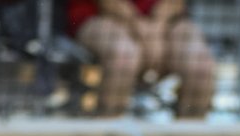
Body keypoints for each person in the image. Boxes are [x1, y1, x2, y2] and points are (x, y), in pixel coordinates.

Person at [66, 0, 215, 119]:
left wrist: (157, 27)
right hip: (99, 16)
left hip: (169, 22)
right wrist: (140, 29)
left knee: (200, 67)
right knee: (123, 57)